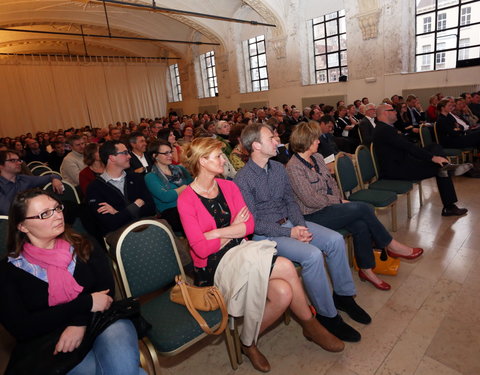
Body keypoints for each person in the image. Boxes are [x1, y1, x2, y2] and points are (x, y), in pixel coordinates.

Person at [177, 138, 344, 372]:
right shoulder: (186, 199)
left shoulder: (228, 186)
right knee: (285, 267)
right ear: (202, 161)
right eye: (218, 156)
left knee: (284, 293)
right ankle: (311, 325)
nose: (224, 160)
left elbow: (249, 226)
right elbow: (201, 249)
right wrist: (231, 229)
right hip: (214, 268)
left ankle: (248, 341)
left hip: (242, 251)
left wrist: (214, 233)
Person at [235, 123, 371, 343]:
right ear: (257, 145)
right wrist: (290, 234)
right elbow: (254, 224)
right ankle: (328, 316)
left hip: (291, 223)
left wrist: (300, 226)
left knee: (335, 241)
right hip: (267, 234)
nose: (277, 139)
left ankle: (344, 297)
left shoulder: (278, 168)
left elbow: (290, 201)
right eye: (272, 137)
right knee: (312, 255)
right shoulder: (242, 179)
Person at [0, 189, 145, 375]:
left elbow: (105, 293)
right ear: (23, 226)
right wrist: (85, 303)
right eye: (45, 214)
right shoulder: (8, 271)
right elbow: (22, 327)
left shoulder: (84, 243)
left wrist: (79, 322)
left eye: (57, 208)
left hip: (101, 320)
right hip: (50, 341)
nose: (58, 216)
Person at [285, 122, 423, 291]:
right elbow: (310, 200)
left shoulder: (318, 158)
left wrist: (337, 199)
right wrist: (339, 201)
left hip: (328, 208)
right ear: (305, 140)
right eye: (315, 138)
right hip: (311, 216)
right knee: (363, 208)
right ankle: (389, 244)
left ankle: (366, 270)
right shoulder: (293, 168)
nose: (319, 141)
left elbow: (332, 183)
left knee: (361, 224)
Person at [373, 104, 471, 217]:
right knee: (441, 169)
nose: (396, 112)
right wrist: (432, 158)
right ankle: (449, 206)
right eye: (393, 110)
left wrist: (431, 156)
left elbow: (406, 144)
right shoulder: (384, 130)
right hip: (397, 170)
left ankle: (447, 165)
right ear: (385, 112)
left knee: (434, 146)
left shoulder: (386, 127)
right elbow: (408, 147)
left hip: (404, 161)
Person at [86, 141, 156, 236]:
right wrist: (134, 206)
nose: (129, 156)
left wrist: (117, 212)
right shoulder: (94, 188)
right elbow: (110, 223)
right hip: (120, 234)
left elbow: (151, 209)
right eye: (124, 153)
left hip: (146, 225)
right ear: (112, 157)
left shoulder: (136, 178)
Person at [145, 140, 192, 234]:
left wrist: (182, 189)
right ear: (155, 156)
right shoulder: (151, 176)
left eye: (170, 152)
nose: (170, 155)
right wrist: (184, 187)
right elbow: (166, 197)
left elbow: (194, 185)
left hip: (189, 204)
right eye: (166, 153)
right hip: (171, 212)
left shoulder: (180, 169)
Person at [0, 150, 64, 215]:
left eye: (19, 160)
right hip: (8, 221)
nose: (19, 163)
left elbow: (51, 176)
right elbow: (7, 211)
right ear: (1, 165)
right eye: (13, 160)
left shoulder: (24, 179)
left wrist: (55, 179)